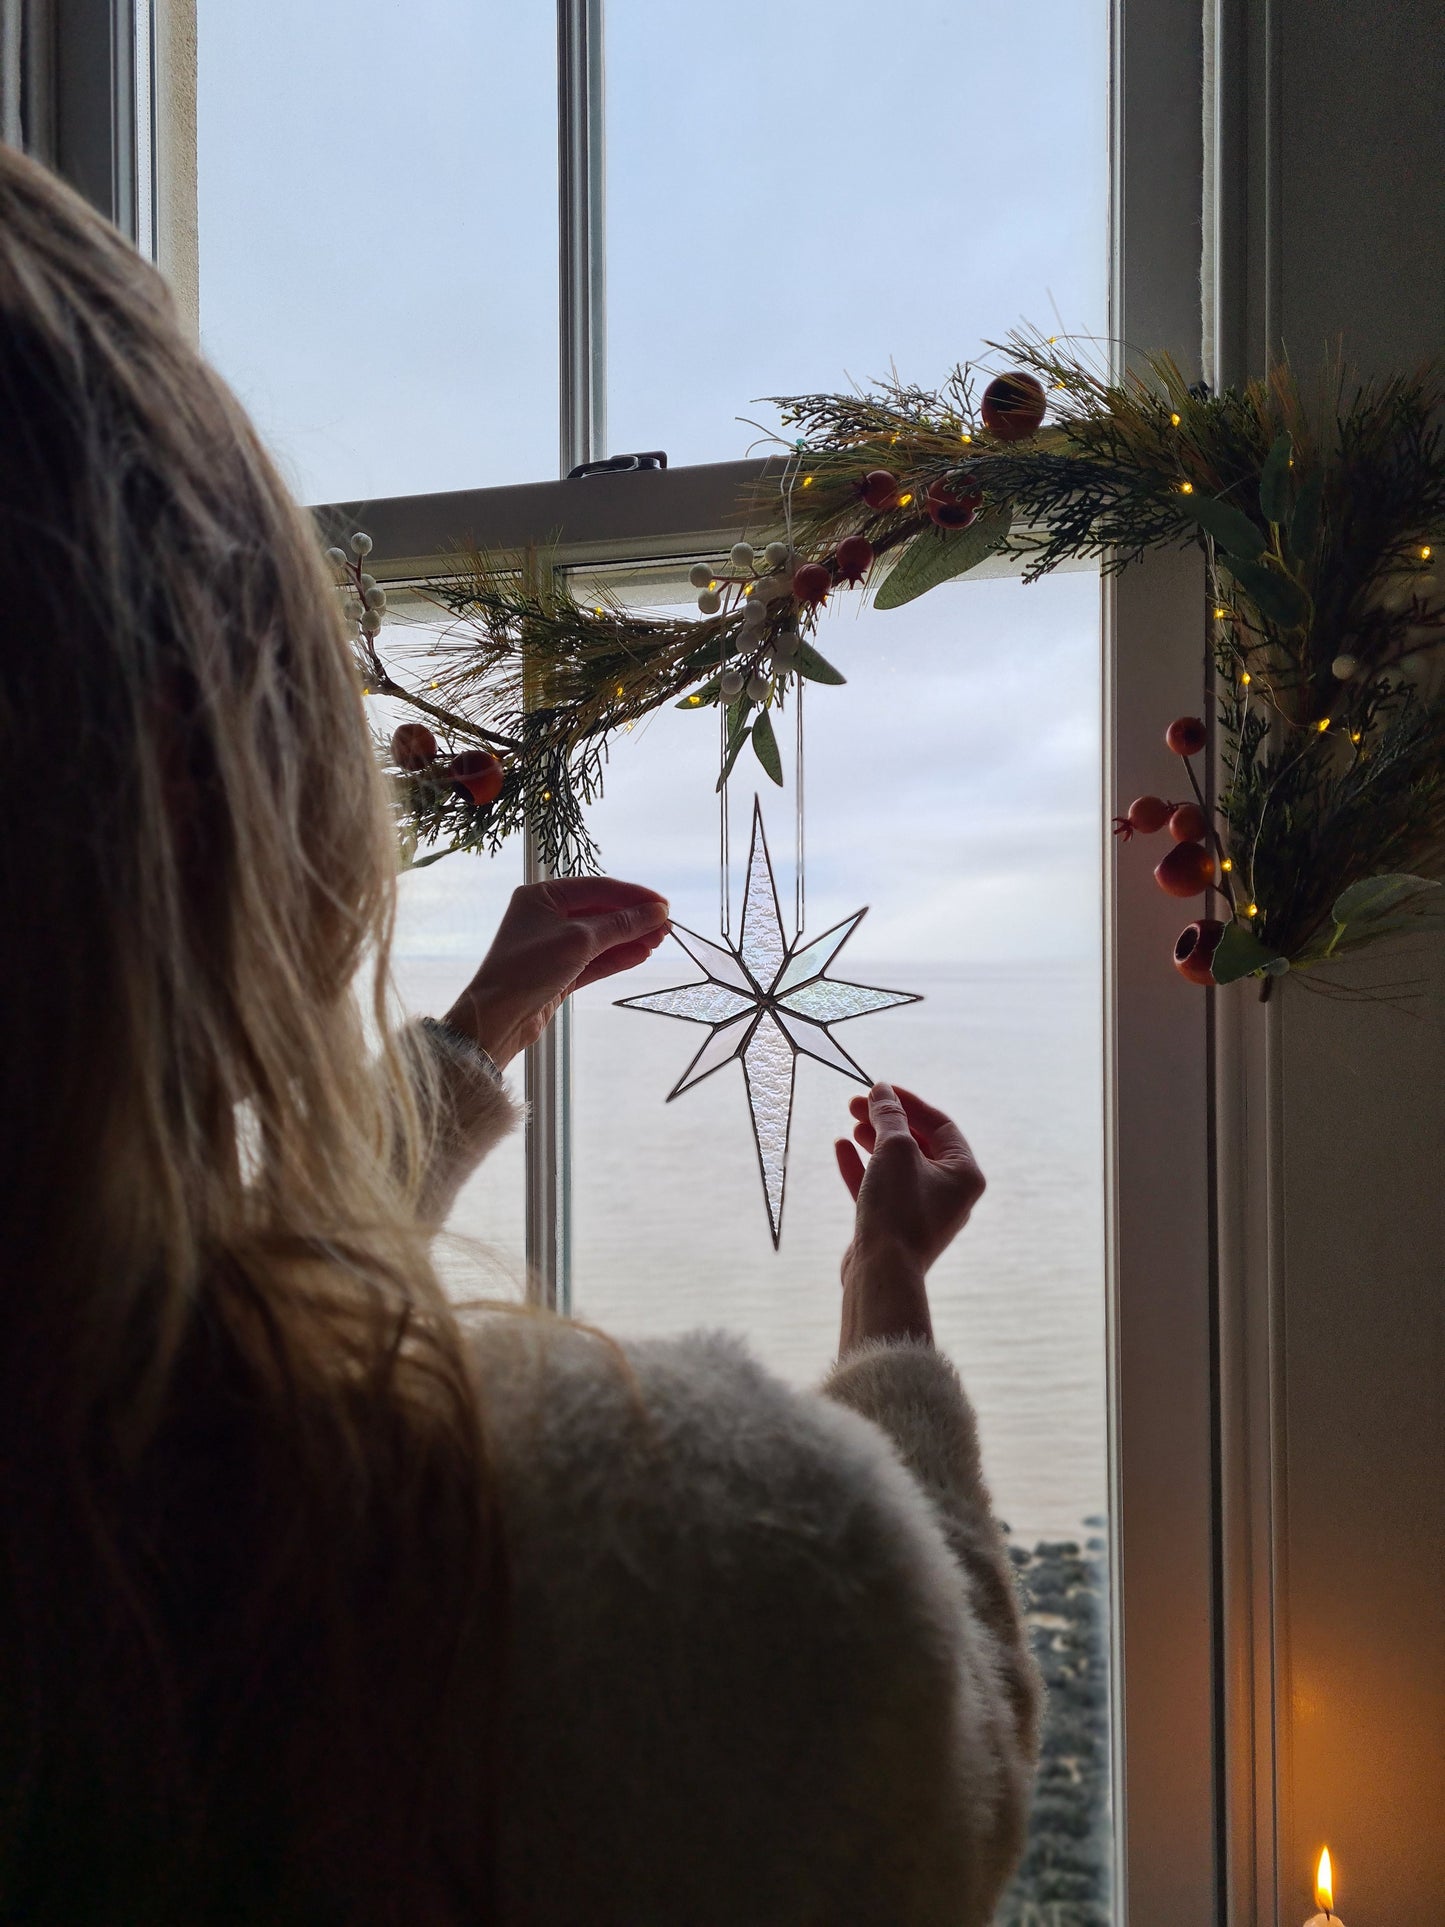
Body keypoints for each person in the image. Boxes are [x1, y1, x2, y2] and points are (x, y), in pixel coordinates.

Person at [0, 141, 1038, 1925]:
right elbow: (954, 1767)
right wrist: (888, 1305)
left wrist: (471, 1044)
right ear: (212, 768)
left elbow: (174, 1334)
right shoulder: (665, 1558)